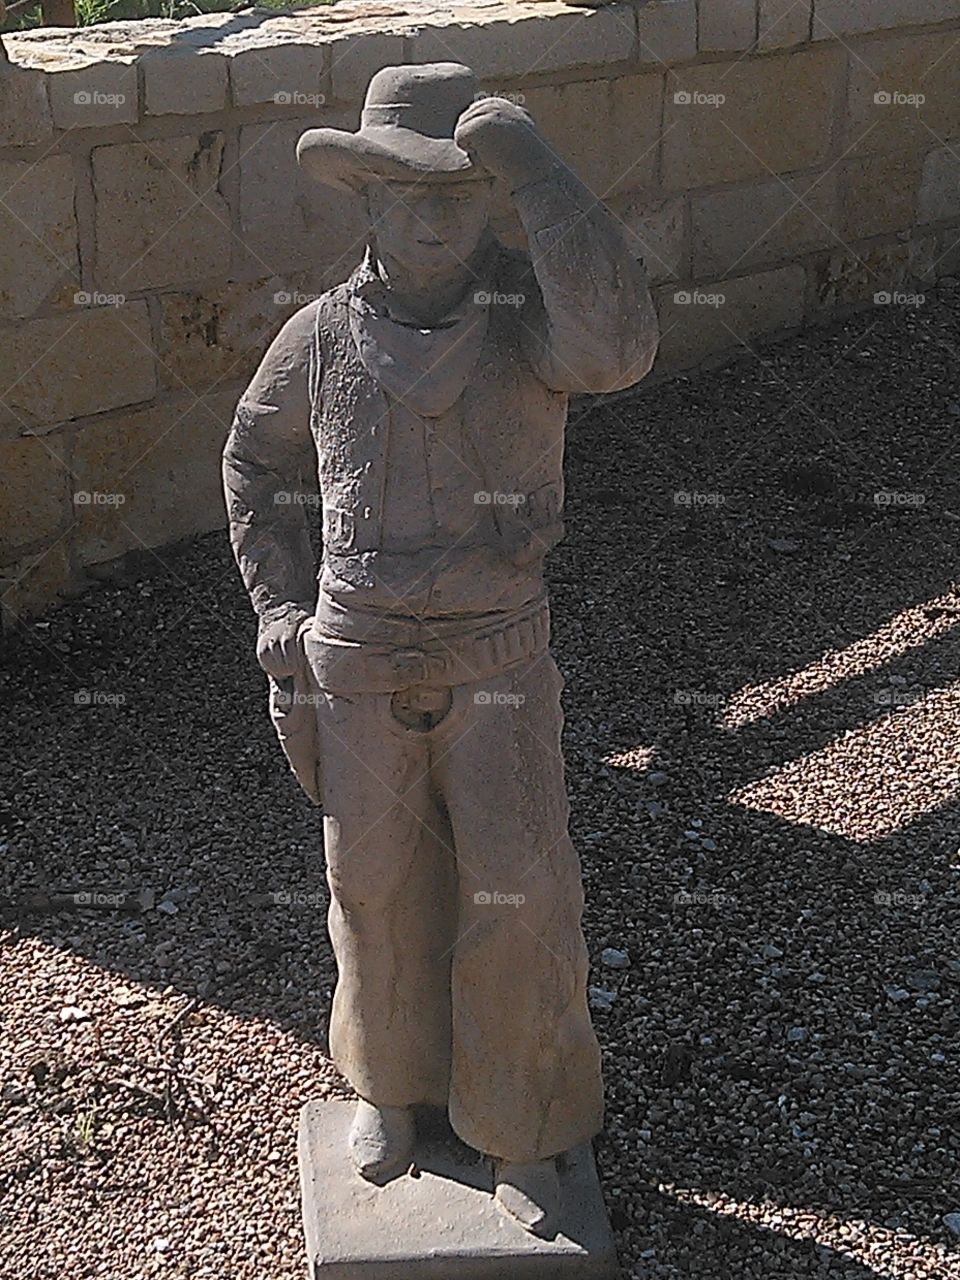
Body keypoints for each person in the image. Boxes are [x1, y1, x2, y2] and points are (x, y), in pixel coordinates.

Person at [223, 61, 658, 1236]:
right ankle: (392, 1089)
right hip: (357, 655)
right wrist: (278, 605)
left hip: (498, 654)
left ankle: (525, 1126)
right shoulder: (319, 336)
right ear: (362, 200)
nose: (436, 213)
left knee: (517, 892)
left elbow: (619, 346)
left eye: (462, 193)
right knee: (372, 889)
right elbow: (255, 464)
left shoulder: (531, 318)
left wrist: (543, 171)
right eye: (408, 191)